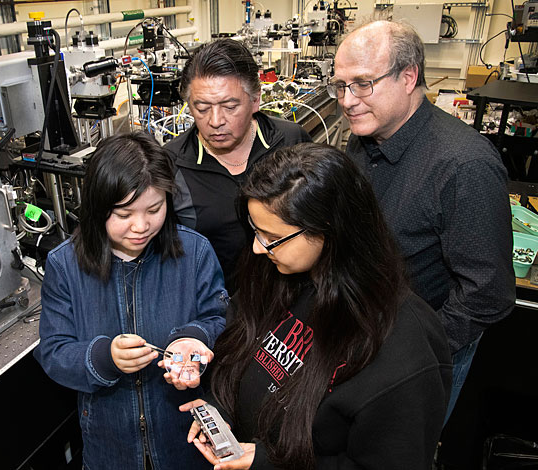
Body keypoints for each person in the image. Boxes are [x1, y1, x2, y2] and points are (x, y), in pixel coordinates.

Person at [180, 143, 452, 470]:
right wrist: (219, 410)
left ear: (329, 231)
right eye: (255, 231)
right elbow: (238, 338)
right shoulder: (279, 273)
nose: (256, 248)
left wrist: (267, 463)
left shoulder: (402, 348)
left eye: (270, 236)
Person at [332, 20, 515, 420]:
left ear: (409, 77)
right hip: (365, 335)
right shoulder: (362, 140)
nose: (347, 100)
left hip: (421, 353)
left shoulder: (464, 165)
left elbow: (488, 293)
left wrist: (412, 349)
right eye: (340, 86)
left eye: (362, 83)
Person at [34, 133, 227, 470]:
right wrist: (104, 357)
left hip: (185, 440)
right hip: (108, 447)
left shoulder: (194, 252)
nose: (141, 226)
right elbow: (54, 352)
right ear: (97, 207)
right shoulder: (65, 265)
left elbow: (220, 318)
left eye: (154, 209)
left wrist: (192, 339)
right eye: (124, 214)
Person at [164, 39, 311, 292]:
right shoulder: (172, 162)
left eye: (230, 106)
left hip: (293, 299)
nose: (216, 121)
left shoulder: (291, 141)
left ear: (255, 100)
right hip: (218, 310)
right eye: (201, 108)